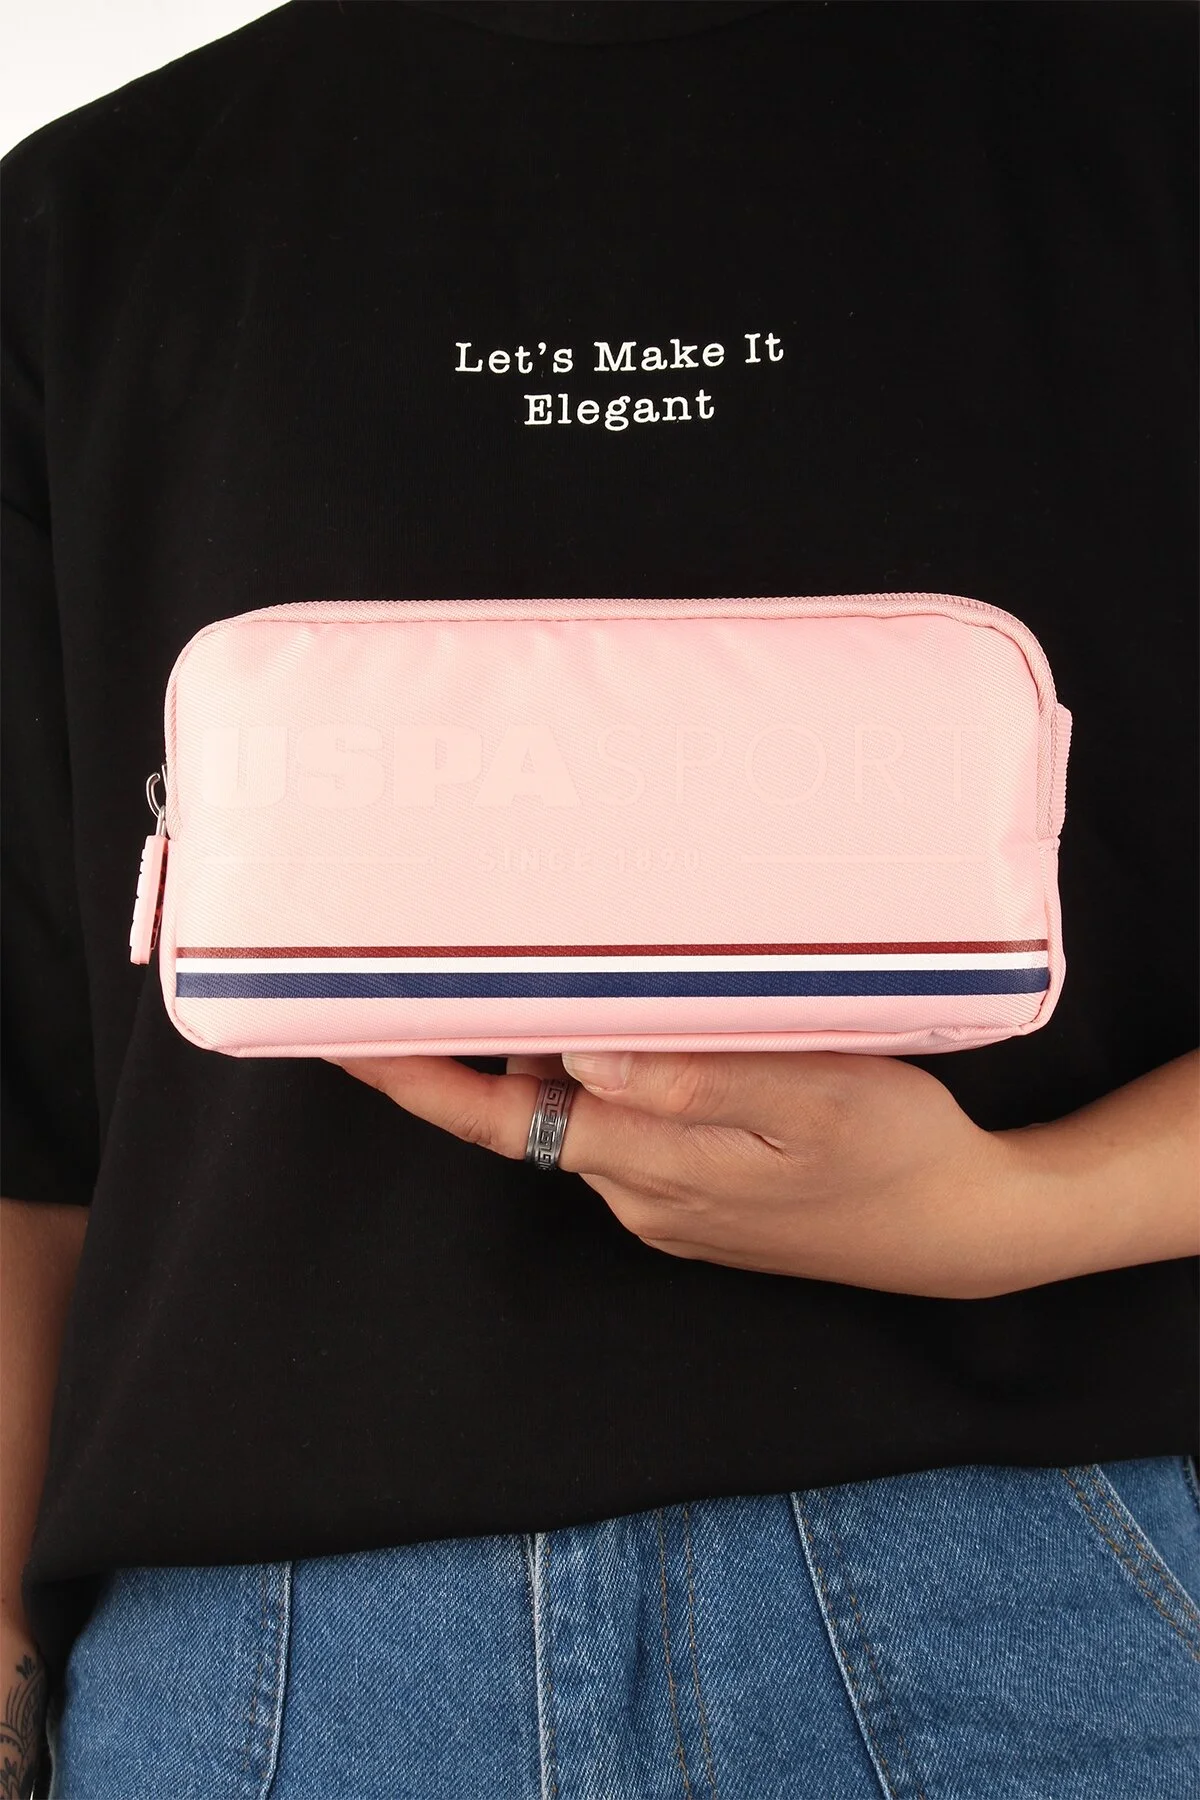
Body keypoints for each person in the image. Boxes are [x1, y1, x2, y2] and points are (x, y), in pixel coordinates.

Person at [2, 3, 1197, 1795]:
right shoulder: (82, 228)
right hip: (263, 1666)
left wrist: (1008, 1213)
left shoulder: (1148, 122)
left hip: (1035, 1580)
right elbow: (27, 1115)